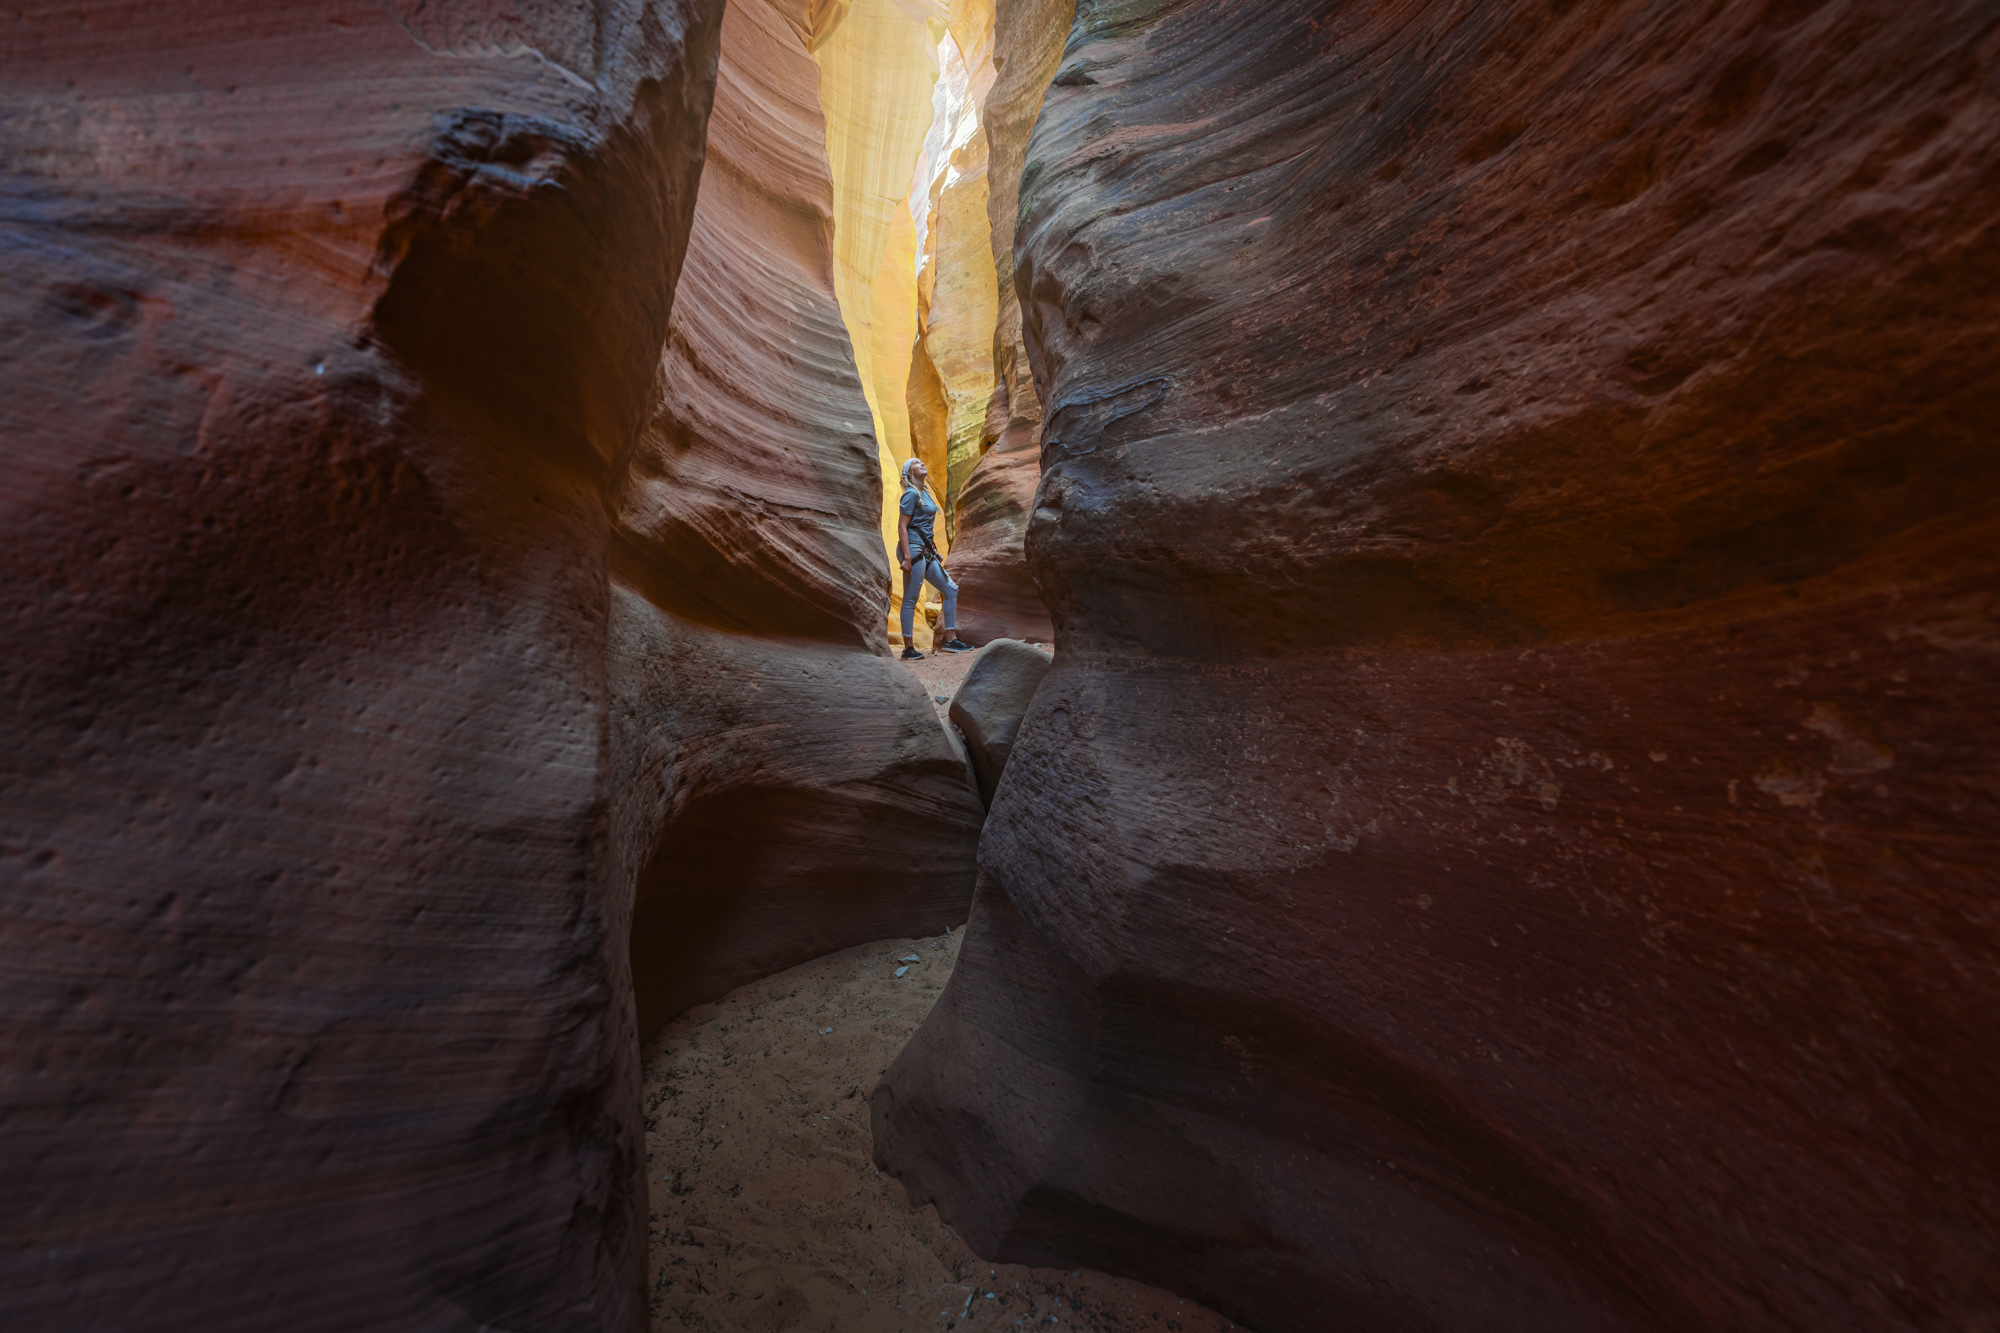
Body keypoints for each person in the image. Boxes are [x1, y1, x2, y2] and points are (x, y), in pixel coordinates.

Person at [896, 457, 972, 659]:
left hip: (926, 551)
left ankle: (951, 640)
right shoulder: (911, 494)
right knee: (911, 598)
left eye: (922, 461)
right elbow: (902, 526)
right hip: (913, 550)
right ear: (909, 473)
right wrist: (906, 557)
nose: (922, 463)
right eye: (915, 463)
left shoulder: (924, 493)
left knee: (951, 589)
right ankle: (908, 648)